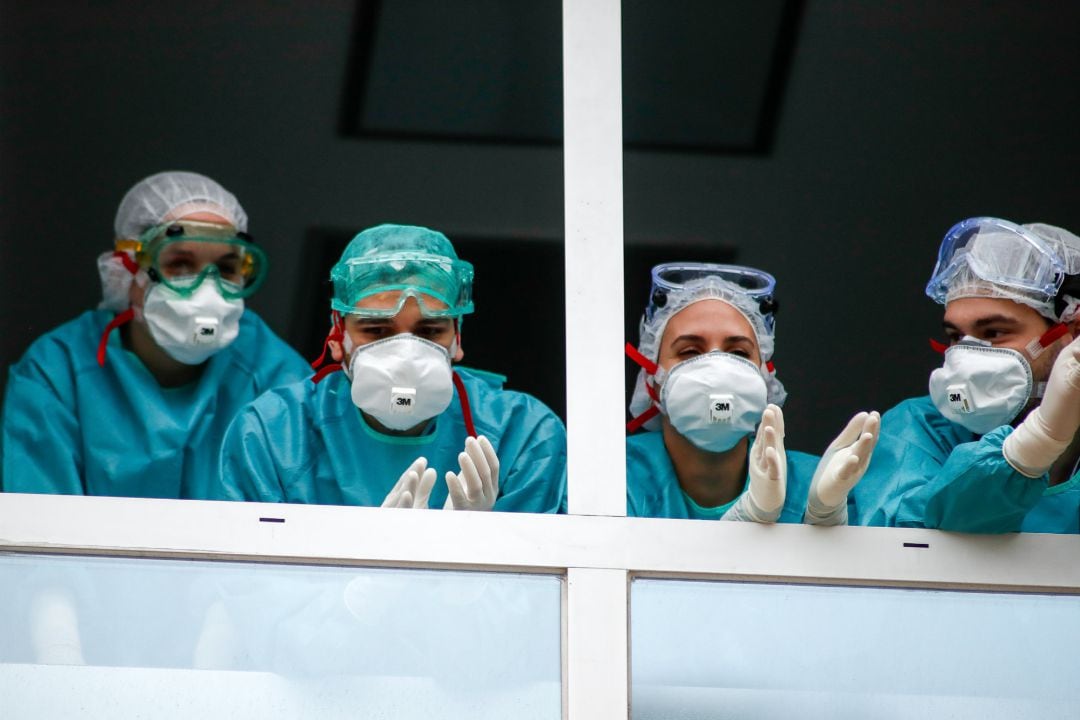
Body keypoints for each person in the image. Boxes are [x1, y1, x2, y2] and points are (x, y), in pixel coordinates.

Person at [215, 223, 566, 512]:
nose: (406, 353)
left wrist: (474, 556)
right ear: (338, 338)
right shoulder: (274, 433)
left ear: (456, 339)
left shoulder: (524, 434)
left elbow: (541, 593)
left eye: (429, 331)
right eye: (376, 330)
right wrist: (366, 587)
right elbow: (251, 588)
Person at [1, 171, 309, 499]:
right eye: (179, 263)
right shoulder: (57, 372)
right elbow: (41, 530)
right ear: (125, 269)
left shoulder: (277, 375)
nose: (207, 288)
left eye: (225, 268)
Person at [855, 217, 1080, 533]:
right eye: (956, 336)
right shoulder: (921, 428)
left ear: (1073, 332)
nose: (967, 355)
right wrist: (1033, 446)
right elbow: (901, 538)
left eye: (995, 332)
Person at [625, 262, 880, 524]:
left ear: (766, 376)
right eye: (690, 352)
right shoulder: (618, 476)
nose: (718, 370)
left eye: (738, 354)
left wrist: (824, 517)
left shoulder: (814, 485)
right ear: (652, 378)